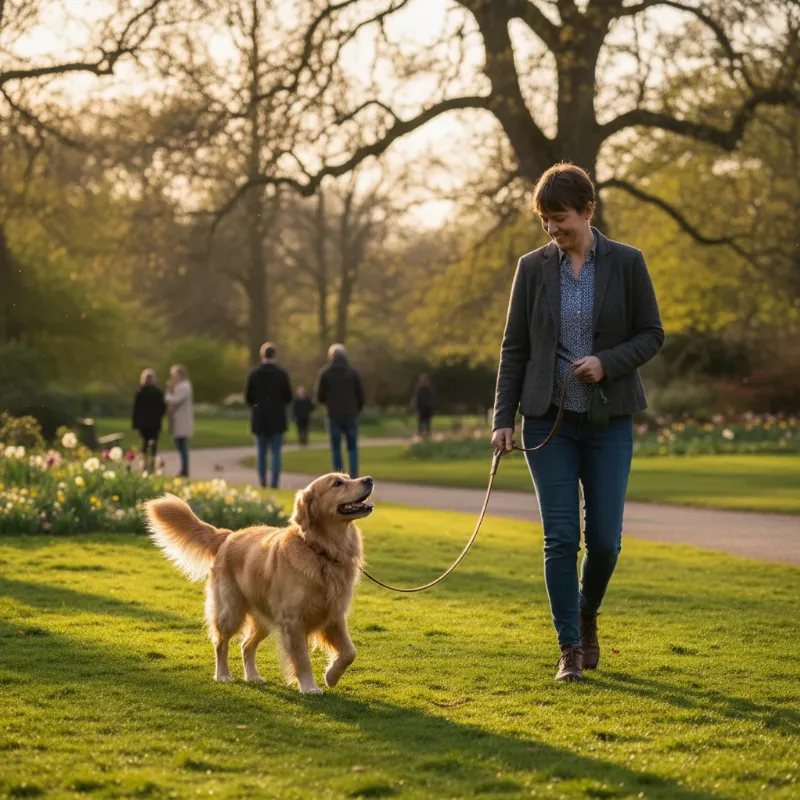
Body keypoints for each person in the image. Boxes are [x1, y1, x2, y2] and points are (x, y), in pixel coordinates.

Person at [491, 163, 665, 682]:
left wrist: (606, 362)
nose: (552, 229)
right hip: (548, 422)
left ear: (588, 210)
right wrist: (503, 418)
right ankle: (569, 646)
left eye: (560, 218)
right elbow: (514, 347)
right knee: (561, 539)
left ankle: (587, 611)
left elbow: (652, 333)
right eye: (545, 220)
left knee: (606, 541)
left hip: (609, 420)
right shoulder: (532, 268)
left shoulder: (628, 263)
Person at [244, 342, 293, 488]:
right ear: (274, 355)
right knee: (276, 453)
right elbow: (289, 397)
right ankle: (275, 482)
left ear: (262, 355)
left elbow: (248, 397)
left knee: (261, 453)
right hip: (277, 418)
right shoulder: (281, 374)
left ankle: (262, 481)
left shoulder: (254, 374)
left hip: (260, 418)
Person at [316, 343, 364, 477]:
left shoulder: (325, 373)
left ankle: (340, 478)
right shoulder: (353, 373)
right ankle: (354, 476)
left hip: (333, 414)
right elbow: (360, 395)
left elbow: (320, 397)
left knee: (336, 448)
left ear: (331, 356)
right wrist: (356, 409)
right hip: (351, 413)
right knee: (352, 447)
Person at [132, 369, 166, 470]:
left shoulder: (157, 392)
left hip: (154, 423)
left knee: (153, 444)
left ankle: (152, 463)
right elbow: (136, 409)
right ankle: (144, 463)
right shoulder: (140, 392)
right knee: (144, 444)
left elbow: (162, 408)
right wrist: (136, 424)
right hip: (143, 423)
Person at [165, 364, 194, 478]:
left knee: (182, 446)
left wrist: (167, 394)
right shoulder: (180, 386)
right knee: (180, 446)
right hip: (178, 421)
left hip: (182, 421)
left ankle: (185, 470)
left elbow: (174, 400)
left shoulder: (184, 387)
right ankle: (184, 468)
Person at [411, 373, 436, 438]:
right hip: (421, 409)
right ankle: (420, 434)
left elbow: (432, 399)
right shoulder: (419, 390)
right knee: (420, 423)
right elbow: (416, 400)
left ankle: (427, 434)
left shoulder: (430, 389)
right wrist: (417, 410)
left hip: (428, 408)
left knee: (428, 423)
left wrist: (432, 407)